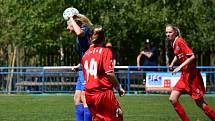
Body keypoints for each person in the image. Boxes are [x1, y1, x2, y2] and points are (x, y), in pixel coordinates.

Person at [166, 24, 215, 121]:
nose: (168, 34)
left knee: (200, 103)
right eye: (166, 32)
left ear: (175, 32)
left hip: (192, 77)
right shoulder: (173, 42)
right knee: (173, 99)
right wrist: (172, 63)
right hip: (184, 76)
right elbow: (178, 54)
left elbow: (192, 56)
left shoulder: (180, 41)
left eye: (170, 32)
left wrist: (180, 66)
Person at [82, 26, 125, 121]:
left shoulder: (85, 55)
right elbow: (109, 73)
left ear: (90, 39)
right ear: (104, 38)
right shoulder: (105, 51)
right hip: (103, 93)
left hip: (89, 95)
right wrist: (118, 87)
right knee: (118, 116)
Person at [66, 13, 92, 121]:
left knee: (84, 98)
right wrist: (79, 65)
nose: (67, 27)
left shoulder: (85, 29)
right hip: (83, 68)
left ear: (75, 23)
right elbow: (86, 53)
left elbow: (79, 32)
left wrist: (71, 18)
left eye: (69, 24)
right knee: (77, 98)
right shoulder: (79, 34)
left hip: (88, 70)